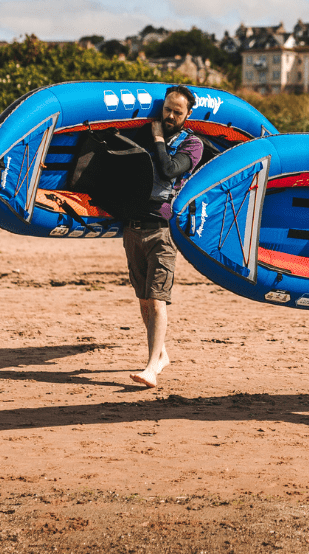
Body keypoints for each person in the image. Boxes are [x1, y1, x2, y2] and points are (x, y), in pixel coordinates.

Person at [122, 85, 203, 388]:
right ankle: (161, 354)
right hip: (133, 227)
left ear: (187, 114)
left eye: (177, 111)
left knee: (157, 300)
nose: (170, 115)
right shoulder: (143, 133)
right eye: (167, 108)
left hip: (162, 231)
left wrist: (157, 138)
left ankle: (151, 368)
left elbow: (169, 171)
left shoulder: (192, 144)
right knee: (144, 301)